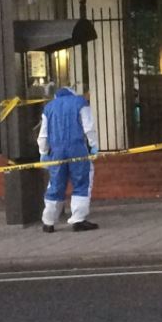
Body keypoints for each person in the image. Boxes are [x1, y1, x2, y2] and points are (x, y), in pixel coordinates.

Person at [38, 86, 99, 233]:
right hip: (77, 149)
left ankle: (48, 222)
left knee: (55, 184)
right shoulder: (80, 102)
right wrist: (94, 146)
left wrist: (43, 152)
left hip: (56, 152)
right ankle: (78, 220)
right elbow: (88, 127)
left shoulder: (49, 107)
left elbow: (43, 134)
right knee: (82, 183)